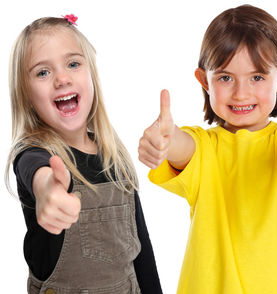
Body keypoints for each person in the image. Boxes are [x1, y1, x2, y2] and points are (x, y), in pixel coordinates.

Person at [138, 4, 277, 294]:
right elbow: (182, 146)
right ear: (205, 80)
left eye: (257, 77)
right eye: (225, 78)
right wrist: (165, 140)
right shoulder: (204, 147)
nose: (241, 93)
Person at [6, 15, 162, 293]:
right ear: (26, 95)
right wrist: (47, 192)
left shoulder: (115, 157)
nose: (62, 78)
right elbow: (37, 174)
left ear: (91, 75)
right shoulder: (33, 156)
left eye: (73, 64)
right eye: (43, 72)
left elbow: (142, 254)